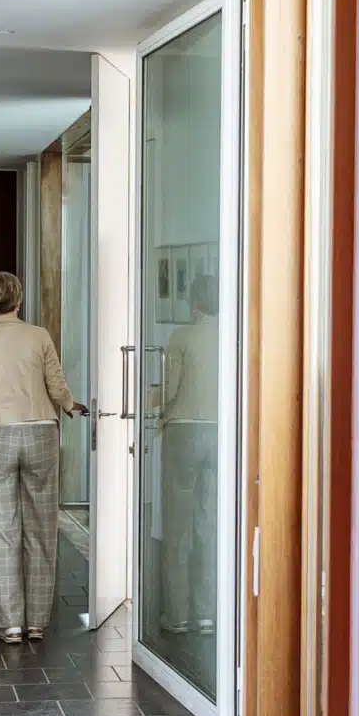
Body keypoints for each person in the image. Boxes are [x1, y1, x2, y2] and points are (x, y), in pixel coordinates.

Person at [0, 271, 86, 645]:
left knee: (1, 528)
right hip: (41, 433)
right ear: (19, 300)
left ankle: (9, 624)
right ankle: (36, 621)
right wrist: (69, 405)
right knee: (41, 527)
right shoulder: (39, 336)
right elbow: (56, 384)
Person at [158, 272, 219, 638]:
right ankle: (207, 612)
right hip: (220, 433)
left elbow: (170, 390)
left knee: (177, 526)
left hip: (184, 432)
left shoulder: (181, 337)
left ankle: (177, 615)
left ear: (193, 302)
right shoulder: (233, 335)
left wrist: (152, 407)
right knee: (208, 525)